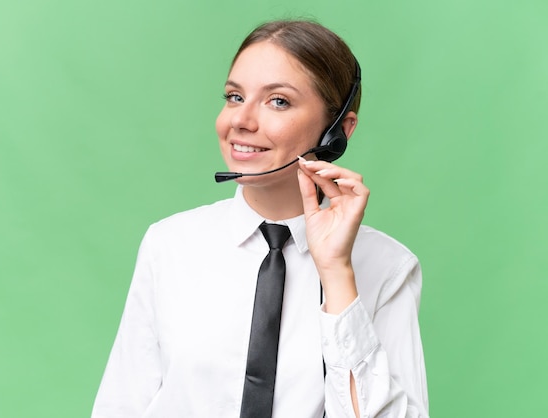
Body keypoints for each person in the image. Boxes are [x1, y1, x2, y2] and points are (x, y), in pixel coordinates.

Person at [92, 19, 429, 418]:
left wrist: (337, 274)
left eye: (278, 101)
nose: (241, 120)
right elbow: (122, 404)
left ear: (338, 130)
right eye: (235, 97)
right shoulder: (169, 244)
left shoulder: (388, 267)